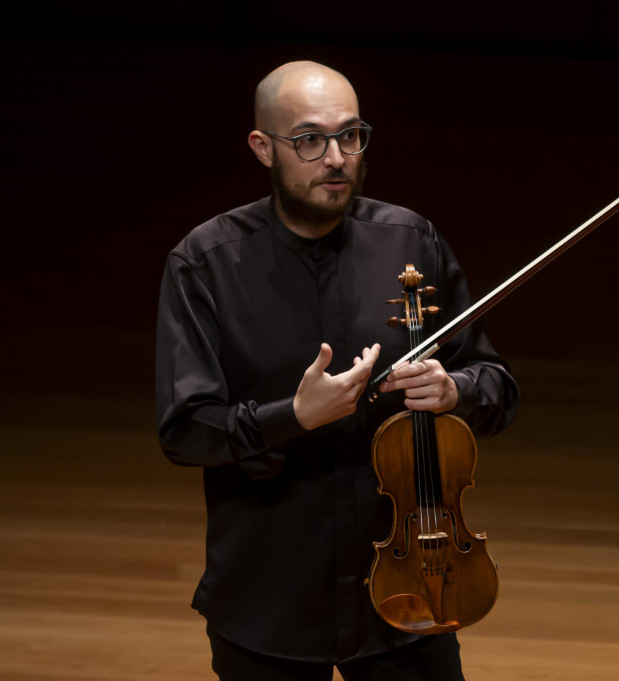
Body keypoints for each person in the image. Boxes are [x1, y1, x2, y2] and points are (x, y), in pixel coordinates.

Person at [155, 61, 519, 681]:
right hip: (269, 597)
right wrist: (292, 418)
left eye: (351, 135)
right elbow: (186, 430)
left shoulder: (412, 243)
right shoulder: (204, 264)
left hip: (414, 585)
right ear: (262, 147)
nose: (336, 157)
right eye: (309, 140)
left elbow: (496, 386)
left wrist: (453, 389)